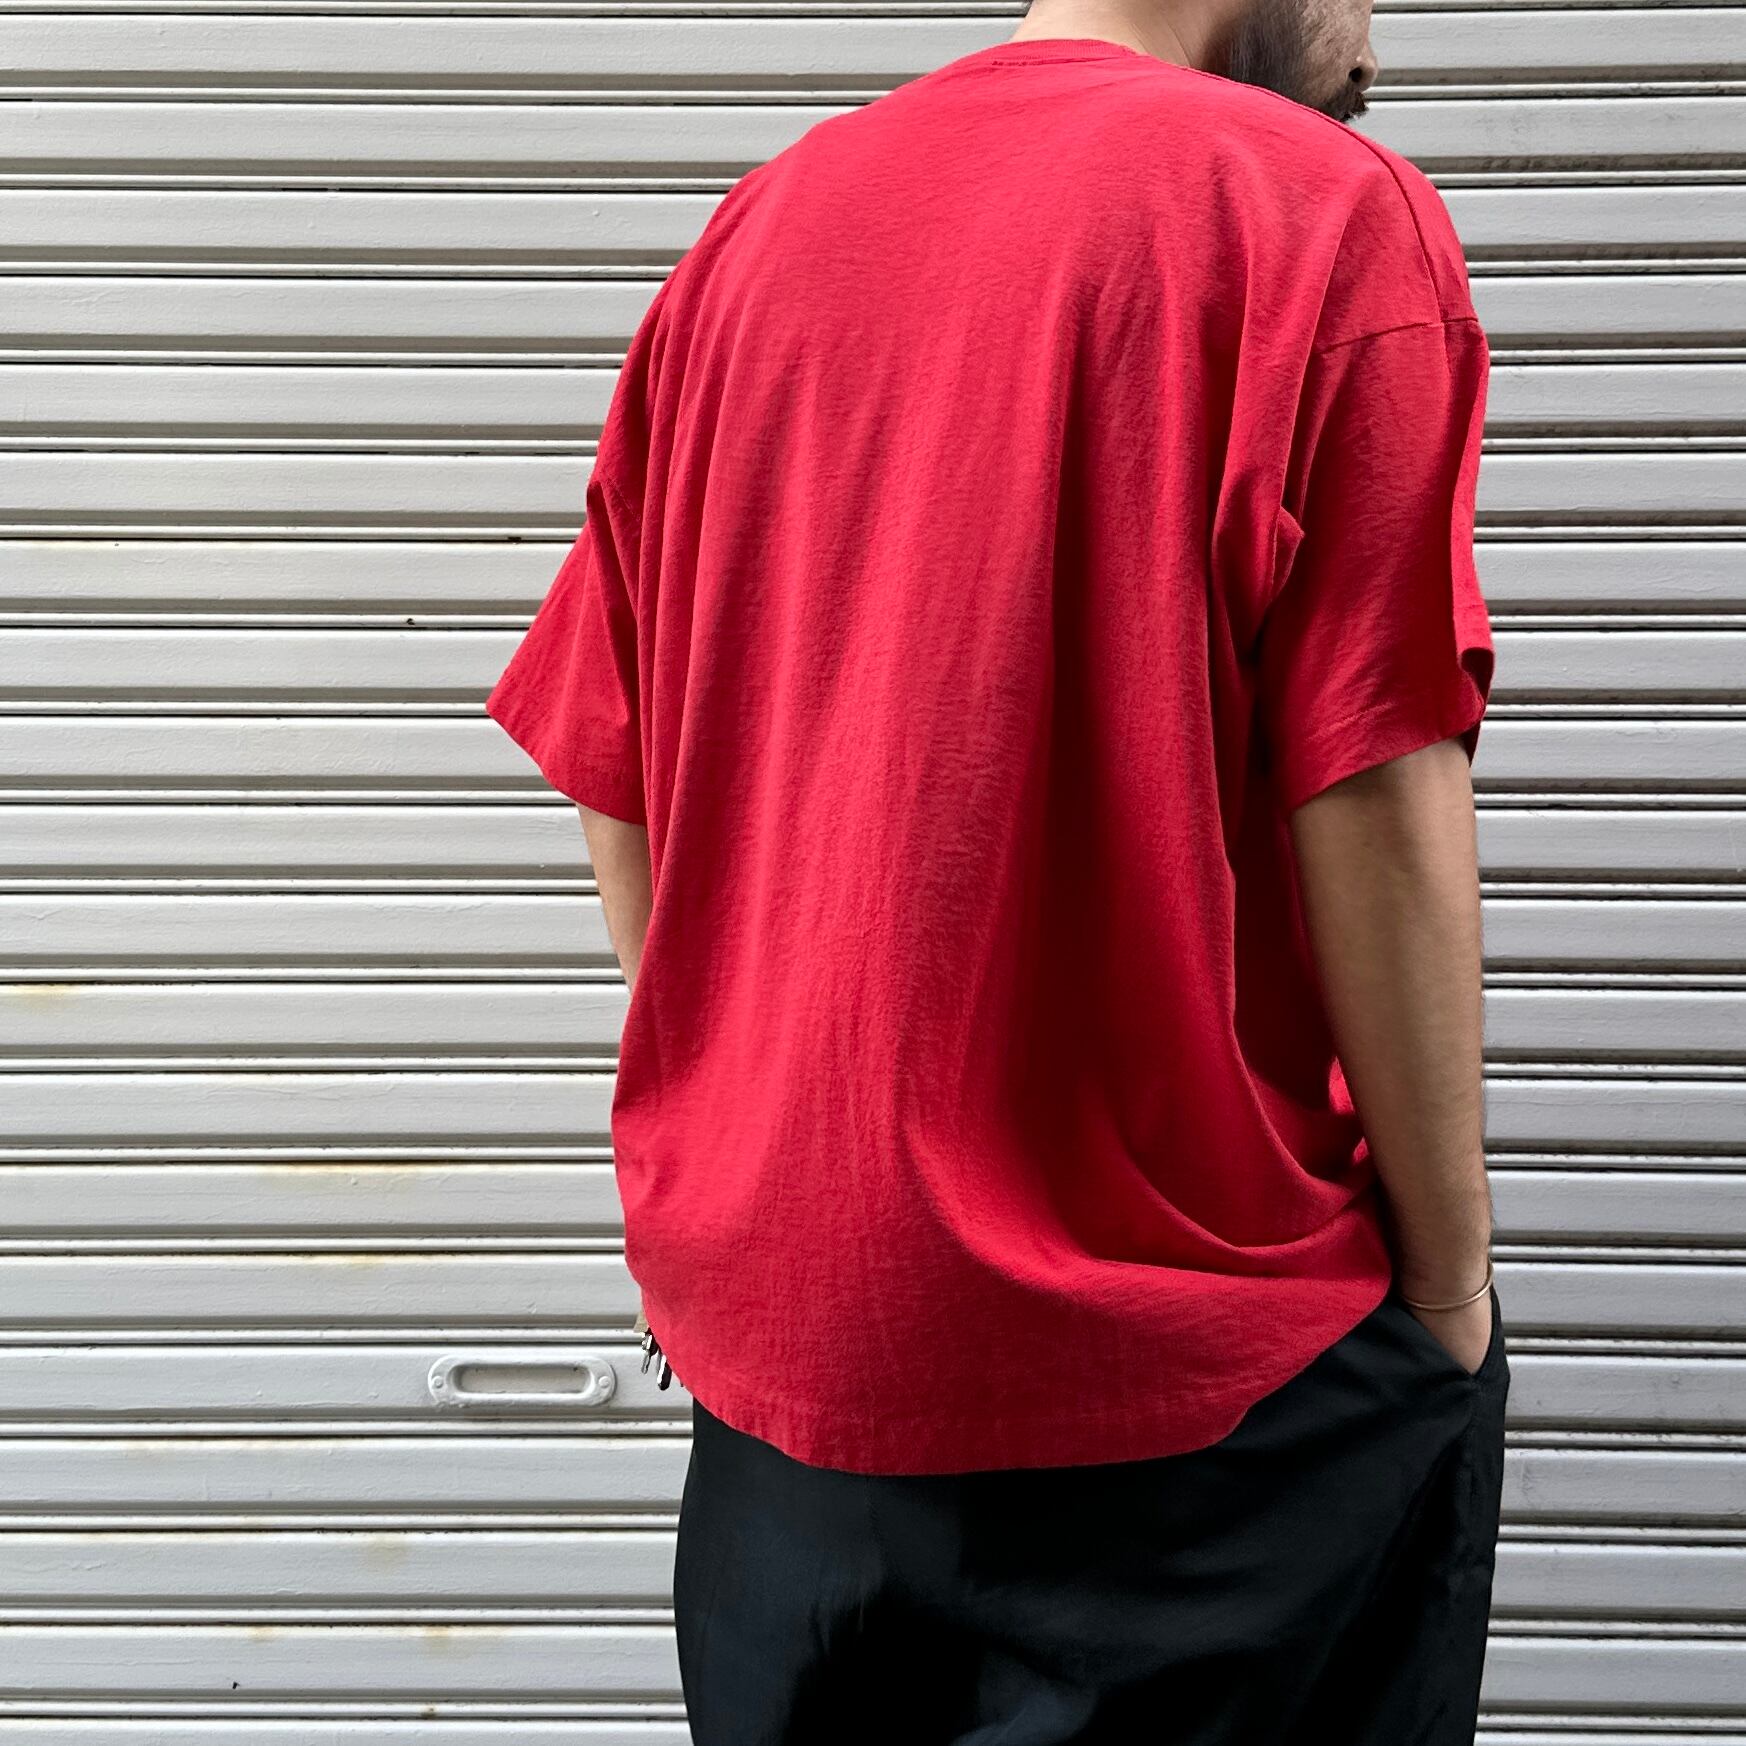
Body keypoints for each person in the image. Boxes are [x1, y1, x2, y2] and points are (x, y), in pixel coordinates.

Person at [482, 0, 1509, 1737]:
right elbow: (1377, 780)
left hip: (791, 1404)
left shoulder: (761, 228)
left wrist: (749, 1140)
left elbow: (616, 760)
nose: (1367, 42)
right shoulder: (1318, 209)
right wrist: (1449, 1294)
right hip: (1197, 1407)